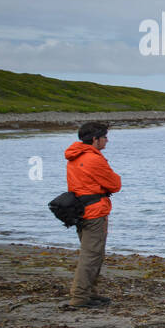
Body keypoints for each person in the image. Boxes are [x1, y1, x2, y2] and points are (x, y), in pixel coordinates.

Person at [63, 122, 122, 309]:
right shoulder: (93, 159)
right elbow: (115, 184)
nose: (107, 140)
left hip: (80, 209)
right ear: (95, 139)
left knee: (93, 253)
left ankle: (89, 292)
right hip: (94, 210)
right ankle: (80, 297)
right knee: (91, 255)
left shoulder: (75, 156)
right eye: (104, 137)